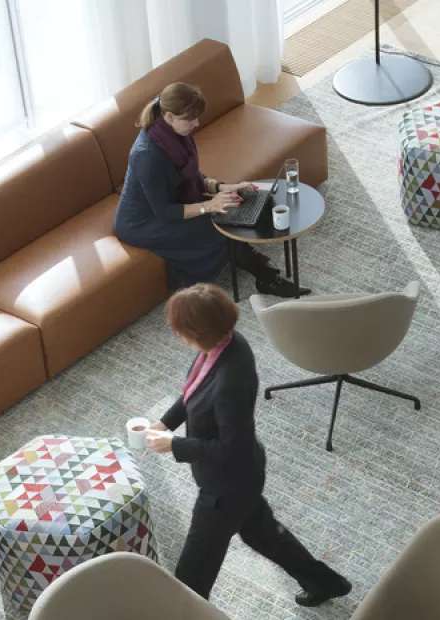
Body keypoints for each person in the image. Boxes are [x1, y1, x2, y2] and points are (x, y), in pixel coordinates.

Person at [142, 283, 350, 604]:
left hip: (226, 489)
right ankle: (325, 582)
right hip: (243, 478)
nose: (178, 336)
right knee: (264, 536)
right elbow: (193, 391)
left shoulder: (230, 380)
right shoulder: (221, 345)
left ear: (200, 331)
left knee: (191, 578)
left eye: (181, 330)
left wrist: (175, 444)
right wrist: (165, 422)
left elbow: (230, 449)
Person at [114, 82, 310, 297]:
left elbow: (191, 174)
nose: (196, 123)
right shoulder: (146, 155)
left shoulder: (176, 134)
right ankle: (268, 278)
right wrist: (208, 206)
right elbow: (164, 211)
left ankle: (266, 274)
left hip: (169, 205)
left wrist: (222, 187)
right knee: (220, 227)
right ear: (169, 116)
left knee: (236, 206)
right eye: (190, 119)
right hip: (144, 222)